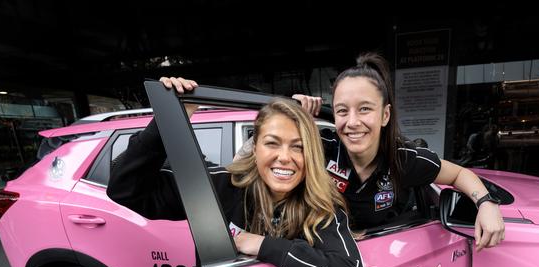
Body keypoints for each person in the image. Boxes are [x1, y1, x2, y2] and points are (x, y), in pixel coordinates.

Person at [107, 93, 365, 267]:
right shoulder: (217, 188)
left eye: (298, 147)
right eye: (272, 143)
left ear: (310, 154)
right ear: (255, 149)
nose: (284, 157)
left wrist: (264, 245)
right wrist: (167, 121)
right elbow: (126, 189)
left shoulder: (319, 208)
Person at [165, 51, 505, 251]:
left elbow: (460, 174)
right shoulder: (318, 150)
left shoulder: (403, 160)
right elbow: (250, 169)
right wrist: (293, 118)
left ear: (385, 115)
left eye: (365, 109)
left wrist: (486, 203)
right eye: (341, 110)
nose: (352, 122)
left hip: (378, 263)